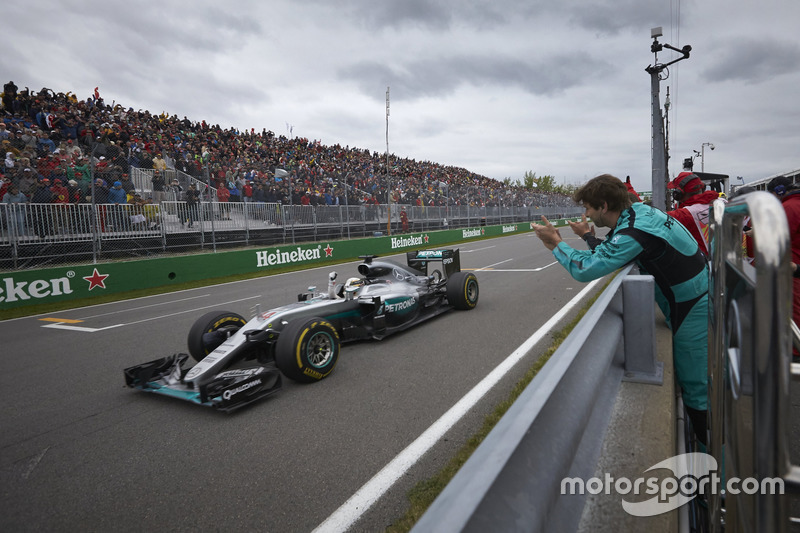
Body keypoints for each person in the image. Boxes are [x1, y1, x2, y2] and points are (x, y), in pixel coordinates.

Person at [532, 174, 710, 444]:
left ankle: (714, 470)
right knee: (697, 387)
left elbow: (588, 268)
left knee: (697, 389)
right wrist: (589, 237)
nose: (586, 213)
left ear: (603, 206)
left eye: (589, 208)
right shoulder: (638, 212)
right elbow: (613, 249)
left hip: (692, 306)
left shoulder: (634, 231)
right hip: (695, 296)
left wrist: (557, 244)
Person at [768, 176, 800, 358]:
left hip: (792, 267)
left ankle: (794, 352)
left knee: (793, 309)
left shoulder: (789, 208)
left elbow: (775, 239)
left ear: (779, 191)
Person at [666, 171, 721, 257]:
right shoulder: (723, 202)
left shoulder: (686, 214)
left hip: (710, 266)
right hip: (735, 263)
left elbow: (654, 217)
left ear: (678, 194)